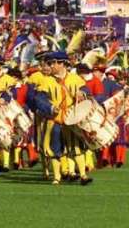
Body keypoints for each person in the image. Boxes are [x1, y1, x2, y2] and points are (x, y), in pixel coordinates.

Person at [40, 51, 93, 185]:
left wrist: (83, 93)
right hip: (55, 119)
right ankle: (57, 177)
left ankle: (83, 175)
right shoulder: (46, 81)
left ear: (62, 63)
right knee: (55, 148)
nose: (50, 66)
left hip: (71, 118)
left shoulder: (76, 79)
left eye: (52, 63)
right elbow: (39, 99)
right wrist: (51, 108)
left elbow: (87, 90)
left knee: (75, 147)